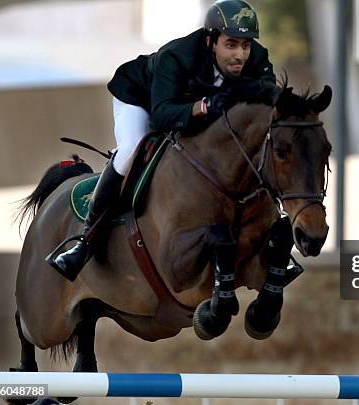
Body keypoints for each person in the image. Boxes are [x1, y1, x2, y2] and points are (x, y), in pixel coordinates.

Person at [48, 0, 276, 282]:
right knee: (132, 149)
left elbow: (271, 101)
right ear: (210, 41)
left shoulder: (257, 58)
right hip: (142, 99)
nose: (240, 54)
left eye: (245, 45)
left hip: (185, 106)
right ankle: (86, 242)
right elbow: (163, 114)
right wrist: (204, 106)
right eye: (231, 44)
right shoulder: (177, 57)